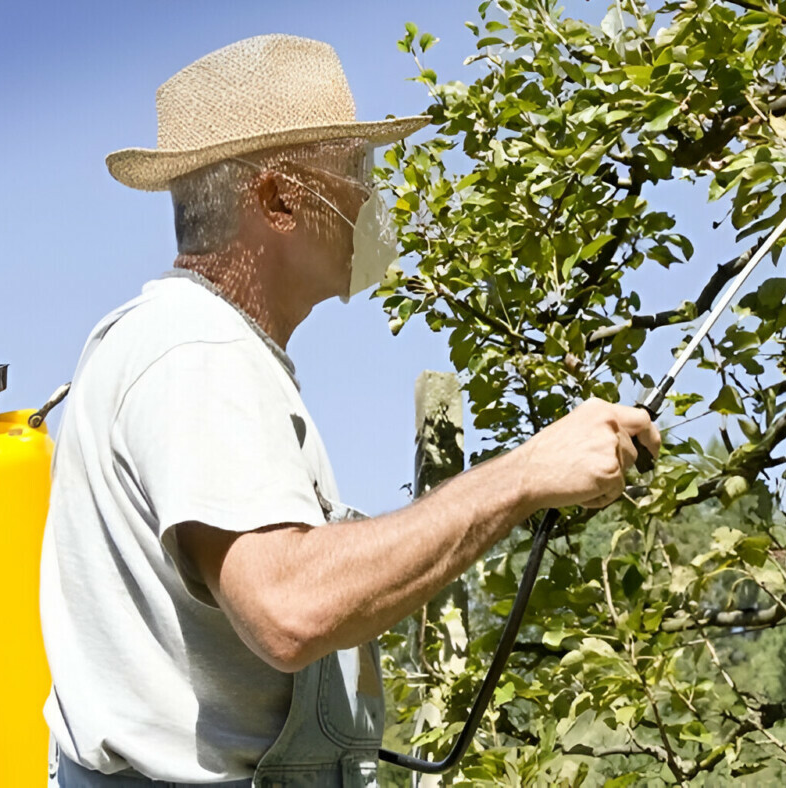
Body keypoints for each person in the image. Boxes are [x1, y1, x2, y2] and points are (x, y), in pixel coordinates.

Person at [39, 34, 660, 788]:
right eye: (355, 172)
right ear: (276, 199)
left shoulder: (191, 346)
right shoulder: (195, 350)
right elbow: (290, 608)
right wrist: (527, 474)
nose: (372, 199)